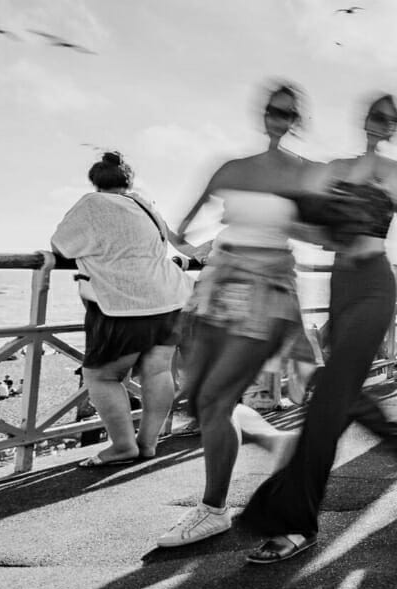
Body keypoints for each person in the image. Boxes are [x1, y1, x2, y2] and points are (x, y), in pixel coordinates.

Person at [243, 93, 397, 564]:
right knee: (338, 389)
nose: (380, 124)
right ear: (365, 120)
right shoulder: (334, 167)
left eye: (388, 119)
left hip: (376, 284)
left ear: (393, 128)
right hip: (340, 284)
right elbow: (303, 219)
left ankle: (294, 521)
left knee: (328, 402)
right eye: (375, 116)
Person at [156, 81, 314, 548]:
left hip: (266, 293)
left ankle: (213, 510)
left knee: (214, 400)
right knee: (200, 397)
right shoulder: (233, 167)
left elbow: (323, 230)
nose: (277, 119)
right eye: (272, 110)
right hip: (219, 285)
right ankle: (276, 444)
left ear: (295, 121)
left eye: (286, 113)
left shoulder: (302, 173)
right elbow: (183, 228)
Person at [51, 150, 194, 466]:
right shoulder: (145, 204)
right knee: (157, 369)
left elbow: (61, 245)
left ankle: (122, 446)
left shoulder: (92, 204)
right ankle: (148, 442)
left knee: (102, 376)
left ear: (95, 181)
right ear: (128, 180)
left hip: (123, 302)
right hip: (169, 296)